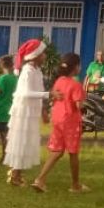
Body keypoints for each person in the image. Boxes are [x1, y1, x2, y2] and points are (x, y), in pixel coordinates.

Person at [31, 52, 88, 193]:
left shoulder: (59, 81)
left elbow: (55, 97)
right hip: (70, 121)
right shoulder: (76, 85)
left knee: (57, 151)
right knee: (73, 153)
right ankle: (75, 185)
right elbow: (79, 105)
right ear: (75, 68)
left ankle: (40, 179)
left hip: (57, 119)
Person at [4, 39, 50, 187]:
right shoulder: (27, 71)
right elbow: (25, 93)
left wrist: (43, 109)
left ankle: (18, 173)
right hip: (24, 112)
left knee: (27, 141)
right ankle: (15, 174)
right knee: (21, 141)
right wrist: (48, 95)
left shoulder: (37, 70)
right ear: (34, 55)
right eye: (42, 53)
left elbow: (38, 89)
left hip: (31, 111)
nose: (45, 56)